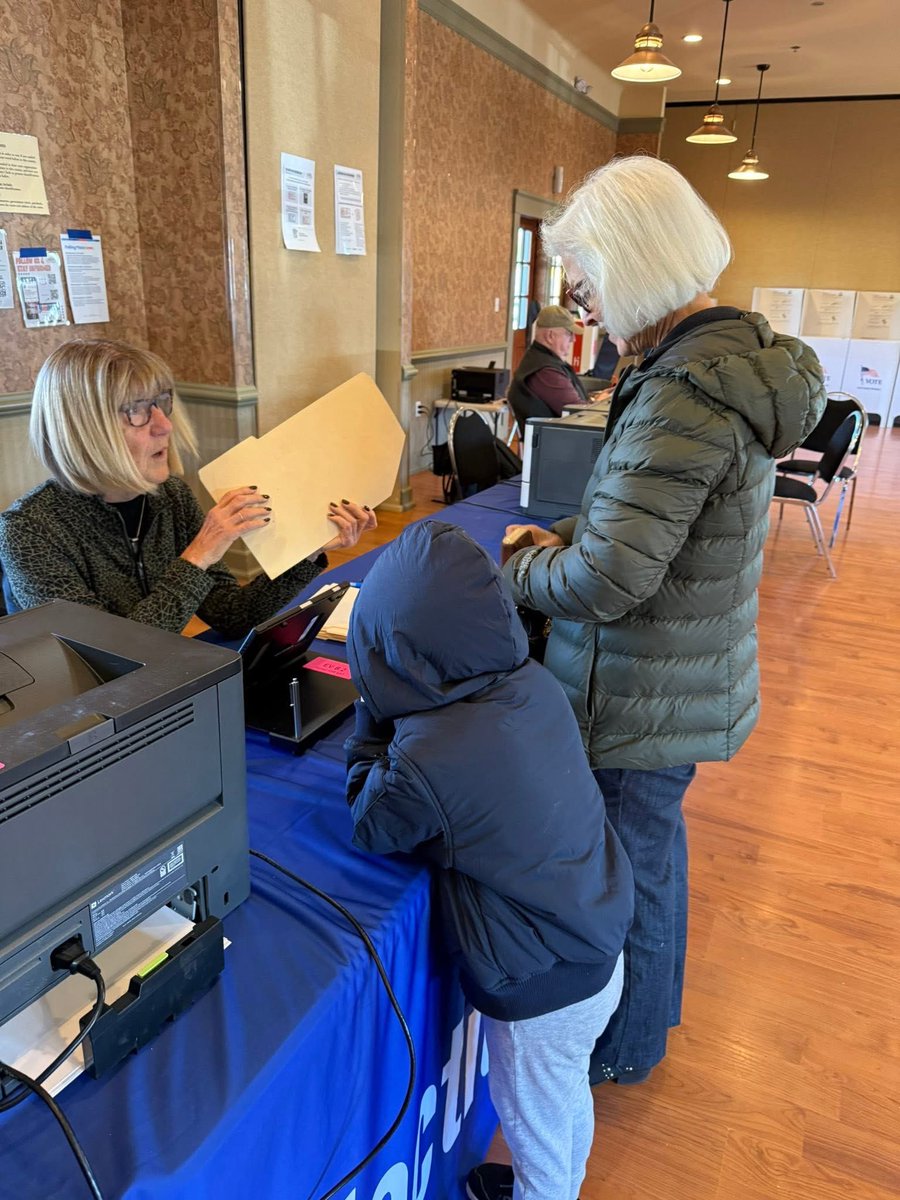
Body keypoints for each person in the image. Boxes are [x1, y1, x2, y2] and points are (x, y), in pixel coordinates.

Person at [502, 156, 826, 1087]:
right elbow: (637, 524)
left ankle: (625, 1046)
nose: (584, 302)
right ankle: (645, 1026)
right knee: (651, 856)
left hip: (639, 687)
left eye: (590, 278)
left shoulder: (685, 391)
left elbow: (608, 579)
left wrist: (526, 567)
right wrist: (562, 533)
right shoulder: (722, 365)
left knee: (630, 873)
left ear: (633, 263)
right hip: (681, 673)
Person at [344, 520, 633, 1200]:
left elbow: (369, 821)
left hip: (545, 984)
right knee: (561, 1104)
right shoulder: (529, 683)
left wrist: (370, 709)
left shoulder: (428, 759)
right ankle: (554, 1182)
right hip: (595, 942)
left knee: (535, 1115)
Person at [0, 339, 376, 637]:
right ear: (83, 430)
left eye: (161, 403)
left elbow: (232, 615)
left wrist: (307, 551)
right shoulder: (29, 530)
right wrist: (199, 555)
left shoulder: (170, 498)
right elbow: (109, 660)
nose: (165, 425)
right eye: (136, 410)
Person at [507, 304, 593, 433]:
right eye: (569, 334)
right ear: (550, 336)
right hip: (556, 447)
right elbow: (577, 414)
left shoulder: (542, 361)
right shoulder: (545, 371)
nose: (573, 340)